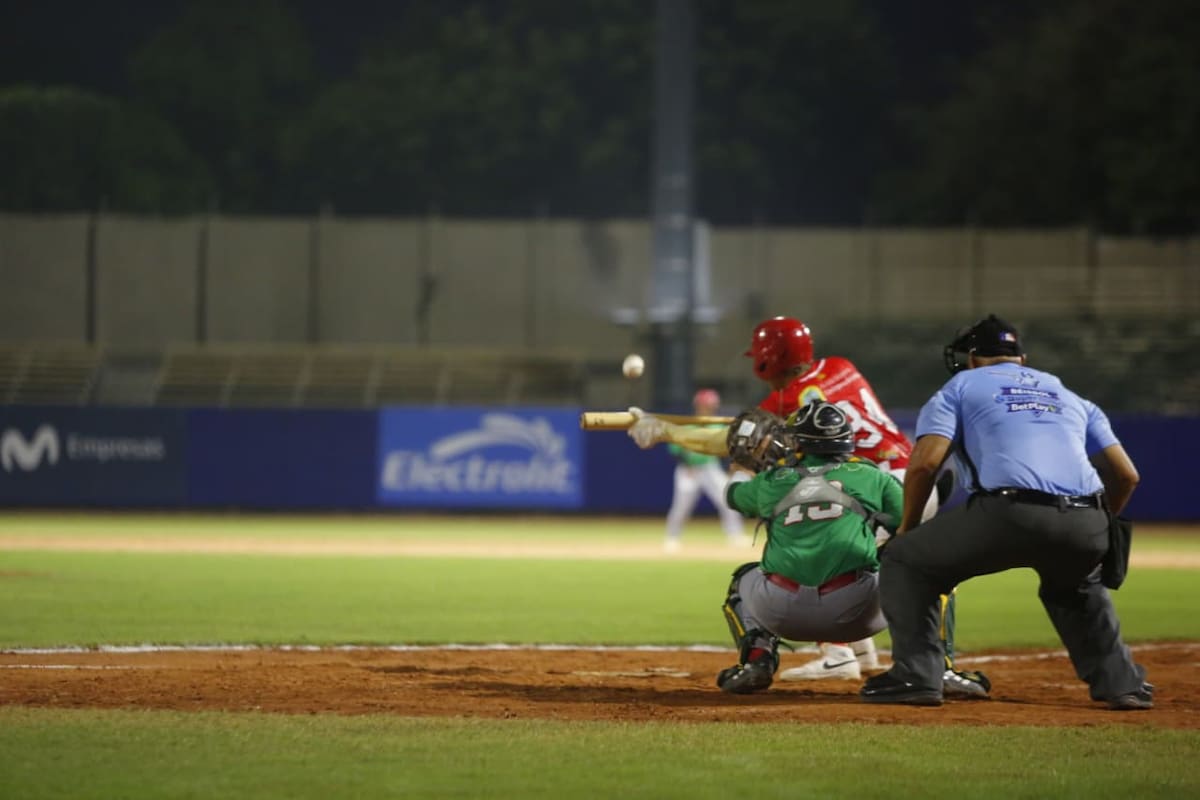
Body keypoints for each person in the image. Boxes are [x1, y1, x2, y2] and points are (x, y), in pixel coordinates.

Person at [629, 316, 989, 697]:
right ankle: (866, 654)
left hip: (875, 483)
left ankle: (844, 657)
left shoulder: (786, 401)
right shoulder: (841, 367)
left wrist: (666, 430)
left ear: (767, 359)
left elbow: (730, 440)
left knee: (821, 547)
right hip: (911, 478)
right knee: (873, 564)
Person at [860, 314, 1149, 709]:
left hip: (1009, 512)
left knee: (905, 561)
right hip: (1088, 517)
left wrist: (907, 529)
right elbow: (1127, 475)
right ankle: (1123, 685)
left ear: (972, 358)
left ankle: (917, 676)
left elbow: (925, 464)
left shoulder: (960, 386)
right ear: (1021, 358)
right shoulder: (1070, 395)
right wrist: (1100, 525)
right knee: (1077, 586)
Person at [715, 401, 900, 693]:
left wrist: (742, 467)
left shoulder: (772, 481)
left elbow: (732, 495)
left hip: (782, 614)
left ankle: (756, 661)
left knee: (743, 579)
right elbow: (910, 521)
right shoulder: (872, 476)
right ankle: (923, 665)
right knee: (915, 571)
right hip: (858, 615)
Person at [662, 388, 749, 553]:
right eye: (708, 404)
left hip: (710, 467)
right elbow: (675, 449)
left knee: (727, 499)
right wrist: (686, 464)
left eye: (712, 405)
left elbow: (726, 449)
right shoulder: (688, 424)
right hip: (689, 470)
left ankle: (735, 535)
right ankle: (672, 538)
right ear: (699, 405)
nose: (711, 407)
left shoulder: (717, 424)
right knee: (681, 506)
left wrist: (728, 468)